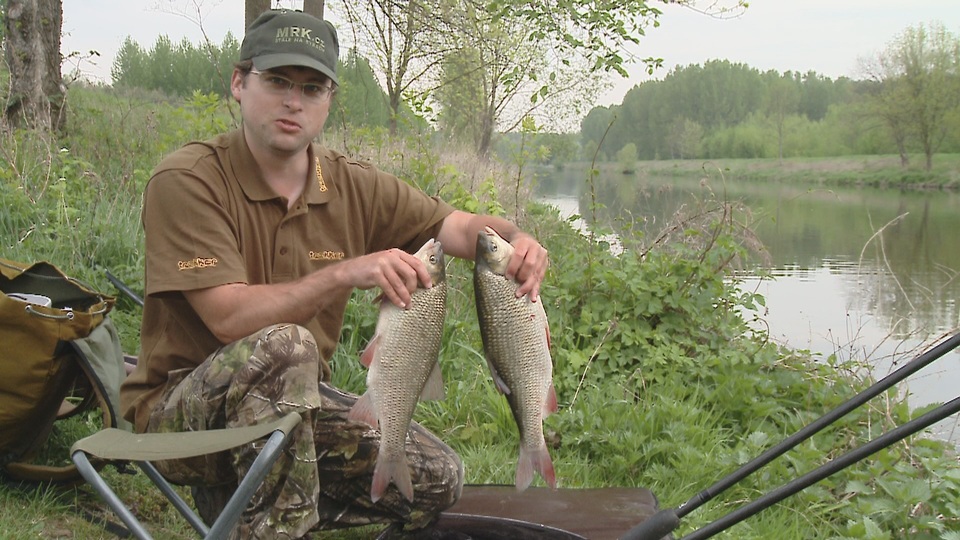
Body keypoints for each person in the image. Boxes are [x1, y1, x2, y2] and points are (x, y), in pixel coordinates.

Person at [119, 8, 549, 540]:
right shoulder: (187, 180)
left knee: (436, 477)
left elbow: (457, 228)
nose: (293, 101)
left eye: (312, 88)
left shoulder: (350, 184)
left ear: (329, 100)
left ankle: (249, 506)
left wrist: (516, 238)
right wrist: (344, 274)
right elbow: (228, 319)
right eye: (277, 81)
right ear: (239, 82)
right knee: (286, 345)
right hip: (180, 415)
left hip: (293, 408)